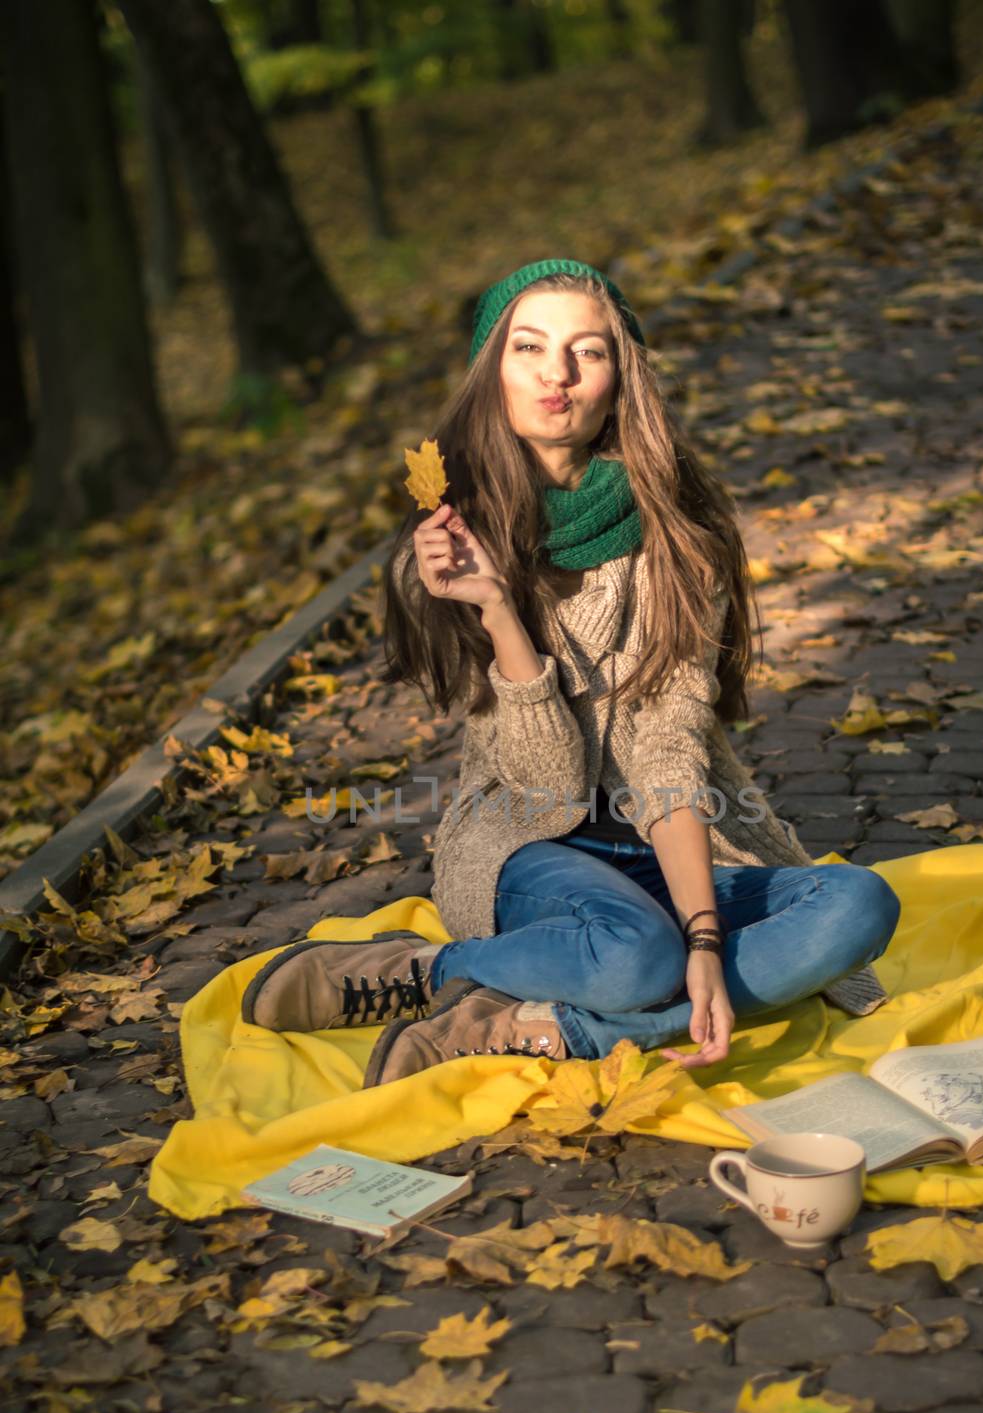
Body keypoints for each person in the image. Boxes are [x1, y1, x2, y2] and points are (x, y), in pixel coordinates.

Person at [242, 258, 901, 1086]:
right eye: (529, 347)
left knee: (858, 906)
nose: (557, 374)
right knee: (636, 957)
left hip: (671, 843)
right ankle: (432, 971)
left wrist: (704, 937)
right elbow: (543, 784)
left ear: (620, 378)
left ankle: (553, 1026)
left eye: (587, 352)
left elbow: (667, 756)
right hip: (525, 844)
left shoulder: (677, 537)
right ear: (493, 373)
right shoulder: (450, 539)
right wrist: (497, 610)